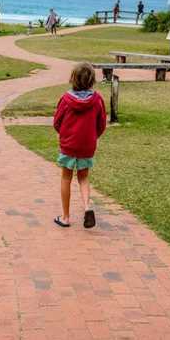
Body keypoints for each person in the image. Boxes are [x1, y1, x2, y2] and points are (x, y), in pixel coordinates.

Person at [52, 62, 107, 229]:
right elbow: (101, 124)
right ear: (92, 80)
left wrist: (64, 134)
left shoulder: (66, 99)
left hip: (69, 144)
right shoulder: (97, 100)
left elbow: (57, 122)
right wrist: (92, 136)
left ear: (73, 78)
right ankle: (87, 207)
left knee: (66, 177)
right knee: (83, 177)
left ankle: (66, 217)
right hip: (87, 145)